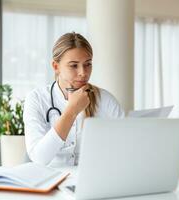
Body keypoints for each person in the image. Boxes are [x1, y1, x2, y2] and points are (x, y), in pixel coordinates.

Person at [23, 32, 125, 167]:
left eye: (88, 64)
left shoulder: (105, 100)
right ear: (56, 66)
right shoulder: (36, 99)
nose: (83, 72)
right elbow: (39, 157)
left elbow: (126, 146)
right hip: (50, 181)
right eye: (74, 65)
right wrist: (71, 111)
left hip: (93, 179)